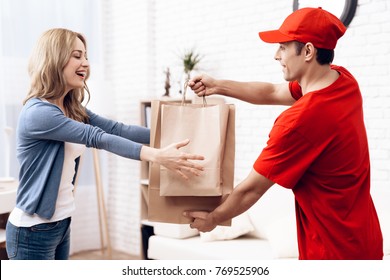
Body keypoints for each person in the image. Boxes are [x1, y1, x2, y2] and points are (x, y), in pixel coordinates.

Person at [184, 7, 383, 260]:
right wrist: (218, 86)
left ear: (308, 51)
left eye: (283, 47)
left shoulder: (300, 121)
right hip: (365, 241)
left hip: (332, 253)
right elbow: (271, 92)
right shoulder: (343, 81)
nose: (276, 55)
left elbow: (251, 190)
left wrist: (213, 219)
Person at [5, 28, 204, 260]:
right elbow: (98, 137)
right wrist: (158, 156)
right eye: (77, 56)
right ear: (54, 58)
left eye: (86, 56)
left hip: (60, 224)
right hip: (31, 231)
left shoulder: (71, 108)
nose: (86, 63)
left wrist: (178, 134)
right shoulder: (38, 113)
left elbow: (116, 129)